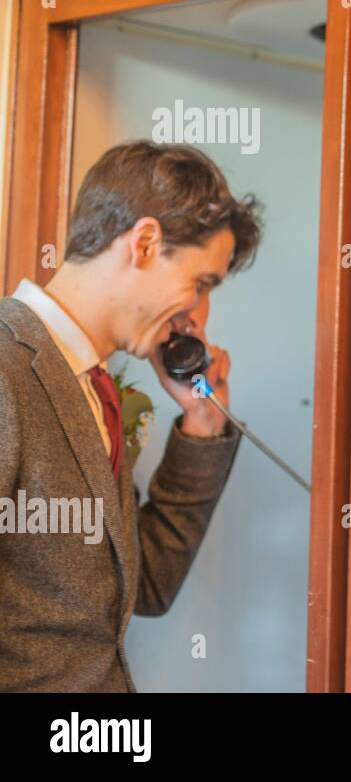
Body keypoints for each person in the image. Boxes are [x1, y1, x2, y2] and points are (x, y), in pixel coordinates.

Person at [0, 140, 263, 691]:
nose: (201, 313)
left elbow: (145, 586)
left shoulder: (96, 388)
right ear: (144, 243)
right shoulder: (7, 370)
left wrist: (201, 424)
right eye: (202, 283)